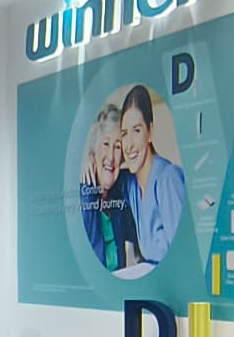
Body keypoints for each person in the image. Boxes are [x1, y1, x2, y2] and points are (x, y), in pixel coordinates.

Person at [116, 84, 186, 272]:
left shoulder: (167, 178)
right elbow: (107, 174)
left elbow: (183, 255)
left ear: (150, 131)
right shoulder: (130, 184)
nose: (129, 144)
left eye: (137, 131)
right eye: (124, 134)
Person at [77, 103, 135, 272]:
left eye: (117, 147)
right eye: (105, 144)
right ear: (92, 154)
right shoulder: (83, 198)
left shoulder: (119, 194)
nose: (111, 156)